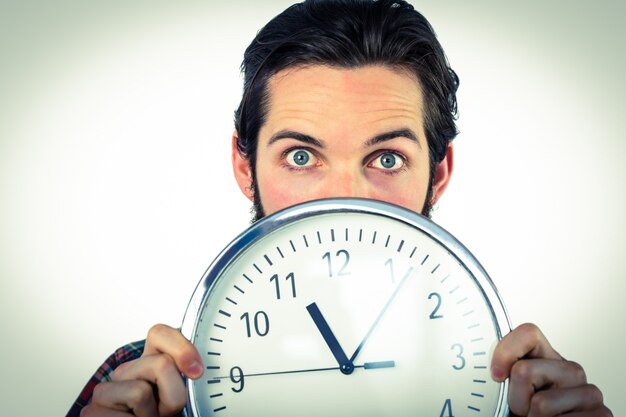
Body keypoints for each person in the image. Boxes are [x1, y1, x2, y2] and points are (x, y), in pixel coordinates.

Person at [69, 1, 612, 416]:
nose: (344, 197)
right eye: (301, 156)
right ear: (244, 166)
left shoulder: (511, 394)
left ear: (439, 172)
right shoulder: (140, 386)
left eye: (387, 158)